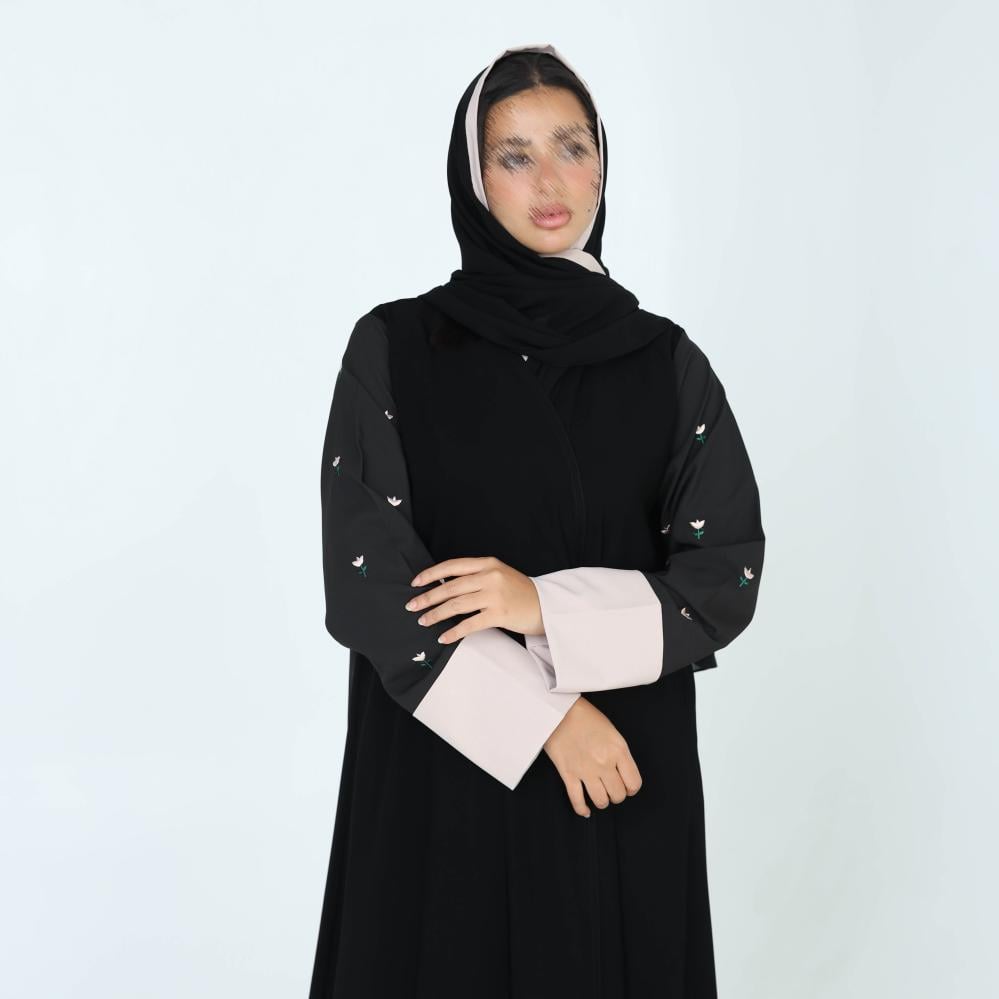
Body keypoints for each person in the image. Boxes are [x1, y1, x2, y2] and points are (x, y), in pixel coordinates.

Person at [308, 42, 766, 998]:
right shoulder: (395, 348)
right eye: (513, 155)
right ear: (473, 178)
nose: (550, 182)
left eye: (572, 147)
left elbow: (721, 573)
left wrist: (539, 604)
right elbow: (368, 586)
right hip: (448, 764)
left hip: (618, 775)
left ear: (602, 162)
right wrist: (548, 720)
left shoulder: (665, 363)